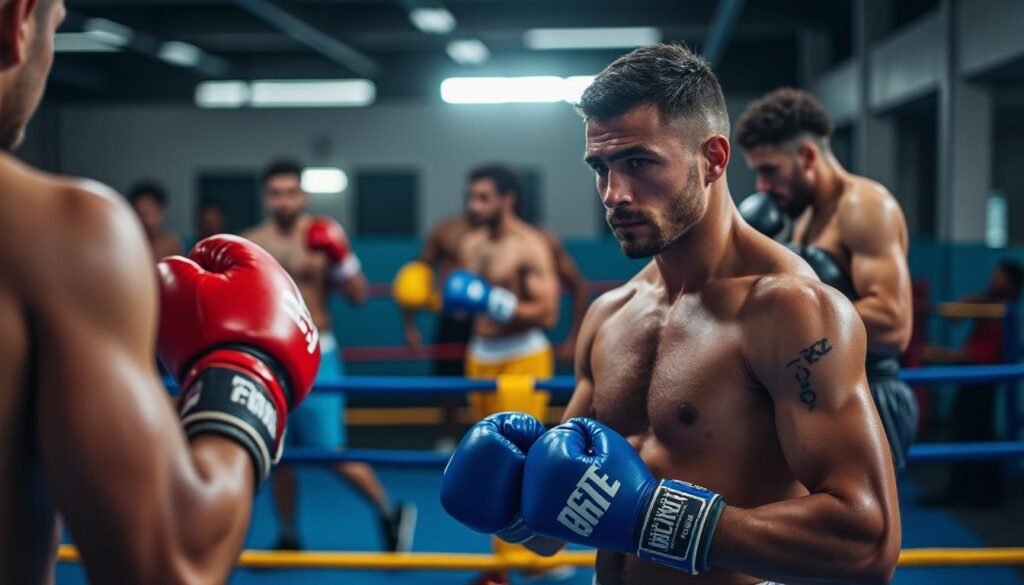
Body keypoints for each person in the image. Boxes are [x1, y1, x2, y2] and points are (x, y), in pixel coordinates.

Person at [442, 43, 900, 585]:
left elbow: (868, 541)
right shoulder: (610, 315)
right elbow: (558, 528)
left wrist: (652, 519)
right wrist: (513, 507)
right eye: (601, 167)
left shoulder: (791, 311)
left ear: (713, 159)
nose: (614, 194)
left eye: (638, 162)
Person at [0, 2, 321, 583]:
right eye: (57, 25)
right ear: (18, 21)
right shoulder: (52, 231)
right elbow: (173, 562)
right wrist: (248, 375)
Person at [734, 88, 918, 473]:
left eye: (769, 170)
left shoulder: (865, 206)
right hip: (821, 387)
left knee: (861, 529)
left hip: (871, 390)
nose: (761, 187)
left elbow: (894, 323)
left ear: (807, 156)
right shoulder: (803, 218)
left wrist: (782, 324)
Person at [243, 159, 416, 552]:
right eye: (275, 193)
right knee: (277, 452)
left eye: (290, 192)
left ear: (302, 195)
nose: (283, 201)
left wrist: (341, 257)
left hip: (318, 351)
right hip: (270, 357)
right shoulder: (251, 241)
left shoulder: (321, 237)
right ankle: (288, 535)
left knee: (330, 451)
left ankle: (389, 512)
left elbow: (357, 296)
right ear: (266, 197)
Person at [923, 259, 1024, 506]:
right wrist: (966, 304)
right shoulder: (992, 306)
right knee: (968, 431)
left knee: (975, 431)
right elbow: (958, 316)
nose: (992, 278)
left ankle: (979, 495)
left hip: (983, 380)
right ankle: (967, 492)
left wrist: (938, 354)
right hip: (976, 380)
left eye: (998, 275)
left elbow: (980, 356)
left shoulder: (1003, 315)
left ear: (1010, 284)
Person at [127, 180, 184, 261]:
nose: (147, 220)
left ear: (161, 211)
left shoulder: (172, 244)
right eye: (141, 214)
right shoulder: (127, 244)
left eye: (150, 213)